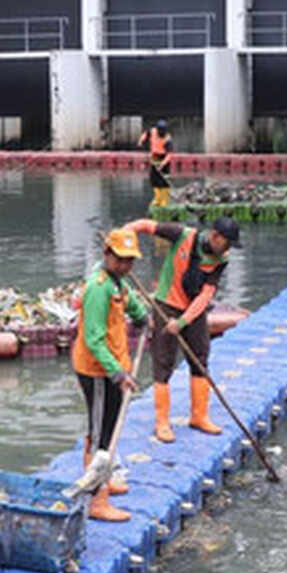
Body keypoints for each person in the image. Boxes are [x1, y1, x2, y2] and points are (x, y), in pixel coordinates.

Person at [121, 216, 240, 444]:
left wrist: (183, 321)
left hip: (193, 311)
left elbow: (206, 294)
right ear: (215, 236)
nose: (227, 249)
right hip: (166, 304)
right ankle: (162, 422)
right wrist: (126, 234)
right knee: (163, 362)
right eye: (226, 242)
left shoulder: (221, 259)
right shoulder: (182, 234)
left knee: (200, 359)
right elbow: (147, 226)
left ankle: (199, 416)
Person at [71, 228, 150, 522]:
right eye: (120, 260)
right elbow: (93, 338)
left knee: (108, 426)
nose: (126, 266)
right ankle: (97, 500)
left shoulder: (118, 284)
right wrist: (117, 374)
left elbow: (130, 304)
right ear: (107, 255)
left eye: (130, 261)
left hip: (113, 367)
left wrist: (144, 316)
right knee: (101, 433)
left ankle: (103, 481)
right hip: (98, 372)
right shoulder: (98, 287)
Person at [138, 119, 173, 207]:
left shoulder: (167, 139)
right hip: (154, 157)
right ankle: (158, 199)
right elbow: (146, 134)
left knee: (164, 181)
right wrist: (141, 141)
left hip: (164, 159)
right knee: (154, 179)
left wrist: (162, 164)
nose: (160, 134)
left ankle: (165, 200)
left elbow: (169, 155)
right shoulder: (152, 131)